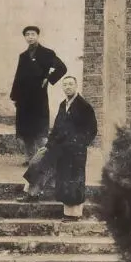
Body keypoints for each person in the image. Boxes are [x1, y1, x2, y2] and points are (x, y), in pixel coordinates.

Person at [19, 76, 98, 218]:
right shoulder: (63, 105)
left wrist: (79, 144)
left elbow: (92, 130)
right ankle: (32, 194)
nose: (68, 87)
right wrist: (48, 145)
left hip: (75, 151)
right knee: (38, 161)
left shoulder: (84, 106)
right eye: (65, 85)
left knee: (72, 180)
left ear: (76, 86)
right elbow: (56, 128)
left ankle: (73, 214)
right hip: (58, 145)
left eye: (71, 84)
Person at [9, 25, 68, 164]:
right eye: (27, 35)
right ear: (25, 37)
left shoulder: (47, 53)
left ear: (37, 36)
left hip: (39, 97)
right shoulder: (23, 56)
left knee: (40, 131)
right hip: (24, 98)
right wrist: (15, 96)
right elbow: (18, 77)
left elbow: (62, 68)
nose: (30, 37)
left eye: (33, 34)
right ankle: (29, 159)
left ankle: (43, 159)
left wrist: (49, 78)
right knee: (26, 131)